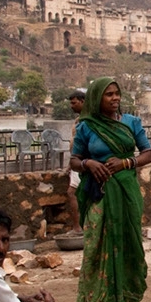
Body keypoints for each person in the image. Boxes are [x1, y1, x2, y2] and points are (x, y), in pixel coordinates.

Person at [69, 77, 151, 302]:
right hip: (98, 194)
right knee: (96, 246)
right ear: (97, 98)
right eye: (109, 95)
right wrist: (89, 164)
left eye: (117, 94)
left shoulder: (131, 123)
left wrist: (126, 163)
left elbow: (147, 154)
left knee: (129, 244)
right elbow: (74, 160)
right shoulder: (86, 127)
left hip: (126, 192)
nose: (115, 98)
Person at [65, 90, 85, 236]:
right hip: (79, 162)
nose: (72, 106)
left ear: (82, 101)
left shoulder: (85, 121)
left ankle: (78, 228)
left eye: (74, 103)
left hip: (83, 162)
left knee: (72, 193)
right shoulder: (81, 120)